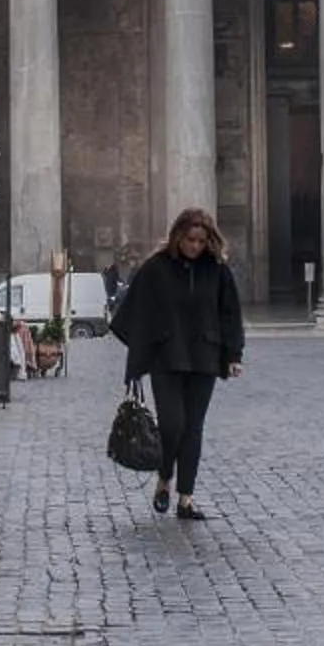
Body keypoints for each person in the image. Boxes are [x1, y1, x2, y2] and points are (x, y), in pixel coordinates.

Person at [108, 206, 245, 520]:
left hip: (204, 357)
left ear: (209, 240)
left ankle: (186, 498)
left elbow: (230, 314)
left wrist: (234, 354)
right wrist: (146, 347)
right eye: (190, 240)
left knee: (193, 429)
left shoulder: (218, 270)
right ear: (178, 237)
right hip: (167, 358)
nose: (195, 246)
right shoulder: (157, 268)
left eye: (200, 240)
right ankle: (164, 478)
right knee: (172, 426)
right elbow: (133, 310)